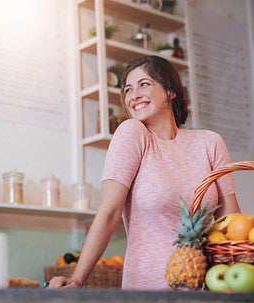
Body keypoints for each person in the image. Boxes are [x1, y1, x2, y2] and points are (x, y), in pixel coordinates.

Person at [49, 55, 240, 290]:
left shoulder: (210, 143)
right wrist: (78, 279)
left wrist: (238, 282)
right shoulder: (132, 133)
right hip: (149, 290)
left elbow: (230, 223)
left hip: (210, 286)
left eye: (144, 84)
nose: (134, 95)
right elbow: (109, 212)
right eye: (128, 89)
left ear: (171, 91)